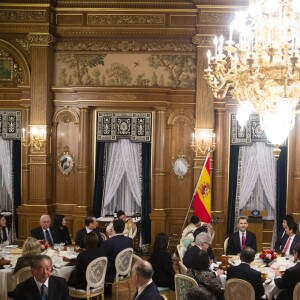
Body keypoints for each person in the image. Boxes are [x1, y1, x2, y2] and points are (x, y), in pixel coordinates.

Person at [101, 219, 133, 295]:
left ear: (114, 229)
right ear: (123, 228)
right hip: (125, 270)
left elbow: (103, 257)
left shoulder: (108, 242)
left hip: (113, 272)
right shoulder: (129, 240)